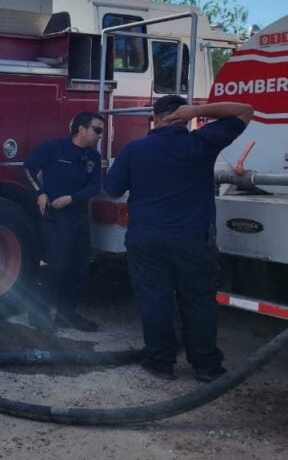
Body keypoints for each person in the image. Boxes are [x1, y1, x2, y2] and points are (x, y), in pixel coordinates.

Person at [103, 95, 252, 382]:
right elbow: (245, 111)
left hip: (146, 239)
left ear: (154, 118)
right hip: (192, 240)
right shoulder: (200, 143)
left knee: (154, 300)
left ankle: (160, 362)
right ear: (185, 117)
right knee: (198, 301)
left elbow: (111, 189)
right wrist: (197, 110)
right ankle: (206, 367)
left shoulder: (134, 149)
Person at [23, 111, 104, 332]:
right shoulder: (54, 147)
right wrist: (40, 193)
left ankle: (66, 314)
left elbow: (95, 186)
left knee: (78, 268)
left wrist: (72, 198)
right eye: (97, 130)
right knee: (53, 268)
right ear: (81, 130)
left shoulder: (93, 157)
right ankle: (38, 316)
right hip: (54, 219)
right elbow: (28, 168)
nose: (100, 135)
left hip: (78, 216)